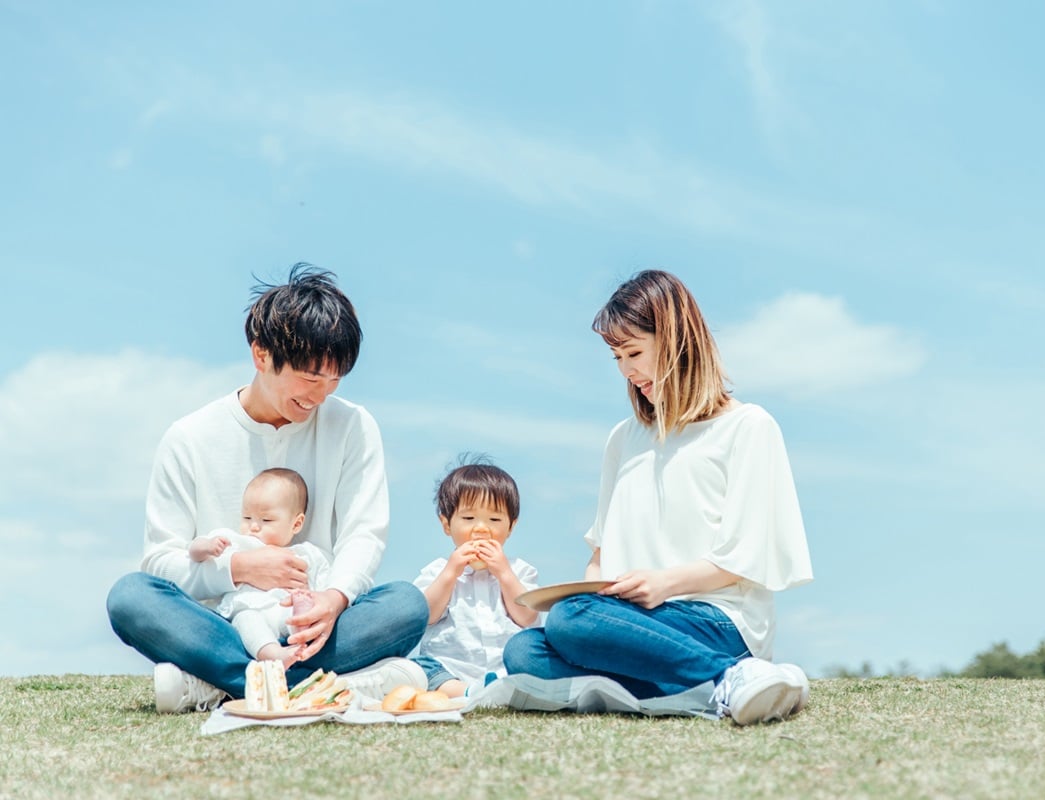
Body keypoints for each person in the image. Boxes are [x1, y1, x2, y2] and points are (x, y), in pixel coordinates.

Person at [106, 264, 429, 713]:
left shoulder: (352, 426)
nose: (320, 395)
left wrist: (332, 599)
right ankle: (323, 685)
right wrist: (238, 568)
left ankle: (222, 685)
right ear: (261, 354)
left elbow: (364, 533)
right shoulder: (190, 437)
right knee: (131, 596)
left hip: (311, 624)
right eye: (310, 377)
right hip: (222, 625)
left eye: (334, 380)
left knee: (407, 605)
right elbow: (162, 562)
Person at [503, 269, 814, 725]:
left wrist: (662, 584)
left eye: (634, 352)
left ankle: (732, 673)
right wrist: (594, 587)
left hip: (717, 621)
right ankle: (705, 691)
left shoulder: (748, 427)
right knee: (523, 649)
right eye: (616, 357)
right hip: (634, 623)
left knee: (571, 620)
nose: (627, 370)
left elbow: (745, 559)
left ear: (675, 341)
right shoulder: (622, 438)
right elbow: (601, 555)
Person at [412, 456, 539, 697]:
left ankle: (495, 689)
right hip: (450, 668)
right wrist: (451, 573)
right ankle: (470, 692)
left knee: (537, 654)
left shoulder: (519, 570)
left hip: (505, 669)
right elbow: (426, 615)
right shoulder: (438, 570)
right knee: (419, 668)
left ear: (511, 527)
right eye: (468, 519)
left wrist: (503, 573)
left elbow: (527, 616)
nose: (481, 528)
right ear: (446, 524)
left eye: (494, 519)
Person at [188, 468, 330, 667]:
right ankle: (273, 655)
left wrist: (313, 599)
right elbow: (193, 552)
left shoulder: (305, 555)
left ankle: (299, 643)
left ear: (296, 524)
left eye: (266, 520)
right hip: (249, 609)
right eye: (247, 518)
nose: (253, 526)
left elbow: (324, 588)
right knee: (247, 621)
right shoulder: (236, 542)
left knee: (301, 615)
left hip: (284, 612)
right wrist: (207, 547)